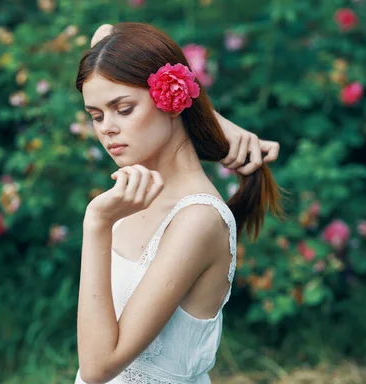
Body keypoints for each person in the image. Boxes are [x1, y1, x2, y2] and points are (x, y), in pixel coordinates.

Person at [74, 23, 284, 384]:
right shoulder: (141, 190)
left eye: (123, 109)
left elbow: (98, 369)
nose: (107, 127)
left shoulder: (197, 219)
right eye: (96, 115)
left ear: (169, 103)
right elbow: (105, 36)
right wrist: (215, 121)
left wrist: (96, 225)